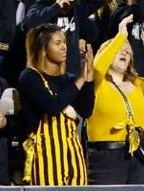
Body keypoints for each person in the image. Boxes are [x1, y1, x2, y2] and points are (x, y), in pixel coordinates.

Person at [85, 15, 144, 184]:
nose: (124, 51)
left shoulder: (137, 84)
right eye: (118, 49)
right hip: (106, 157)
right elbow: (98, 66)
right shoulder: (97, 83)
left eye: (127, 50)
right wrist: (121, 36)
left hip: (138, 154)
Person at [19, 21, 92, 186]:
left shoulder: (69, 80)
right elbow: (52, 106)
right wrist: (80, 81)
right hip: (45, 156)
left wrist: (89, 75)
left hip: (74, 154)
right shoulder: (30, 76)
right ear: (43, 49)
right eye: (58, 43)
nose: (64, 47)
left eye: (64, 42)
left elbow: (87, 110)